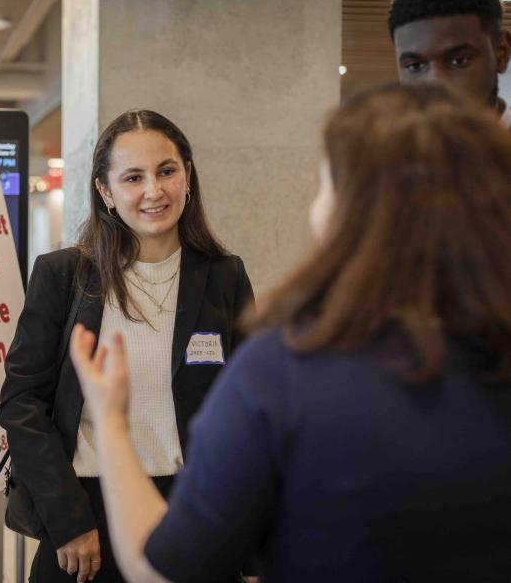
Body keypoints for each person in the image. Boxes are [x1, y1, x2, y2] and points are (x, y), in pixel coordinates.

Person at [69, 83, 511, 582]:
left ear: (355, 208)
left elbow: (164, 570)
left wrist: (108, 416)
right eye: (133, 177)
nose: (154, 190)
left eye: (324, 183)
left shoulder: (287, 369)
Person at [0, 109, 253, 582]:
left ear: (188, 176)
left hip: (196, 515)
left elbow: (252, 414)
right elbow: (21, 404)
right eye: (133, 177)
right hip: (85, 517)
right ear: (105, 191)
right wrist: (67, 520)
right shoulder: (63, 276)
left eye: (167, 171)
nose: (153, 191)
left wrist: (254, 548)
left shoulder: (224, 277)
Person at [389, 0, 511, 125]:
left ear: (502, 52)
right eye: (415, 66)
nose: (436, 83)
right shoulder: (387, 145)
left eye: (459, 61)